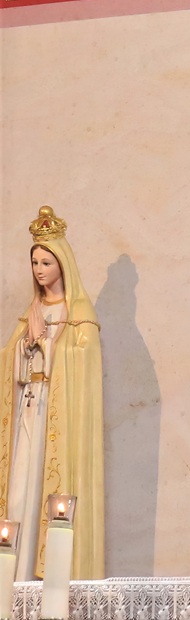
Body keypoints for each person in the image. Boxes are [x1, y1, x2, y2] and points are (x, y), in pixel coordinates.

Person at [0, 207, 105, 580]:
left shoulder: (78, 309)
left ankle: (44, 574)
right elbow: (9, 359)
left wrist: (49, 345)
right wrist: (23, 347)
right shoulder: (31, 309)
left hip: (57, 414)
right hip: (28, 408)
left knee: (48, 485)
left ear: (63, 263)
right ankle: (16, 573)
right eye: (34, 263)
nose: (39, 270)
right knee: (20, 487)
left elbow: (85, 356)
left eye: (46, 262)